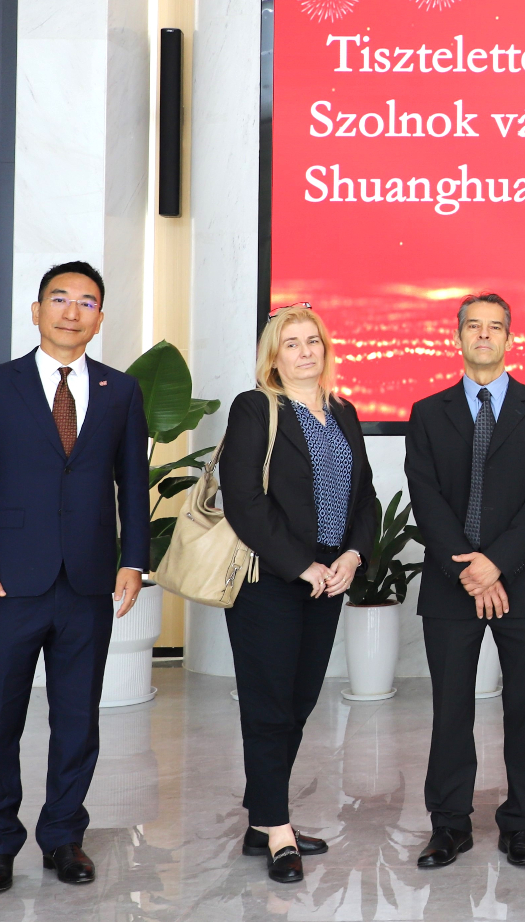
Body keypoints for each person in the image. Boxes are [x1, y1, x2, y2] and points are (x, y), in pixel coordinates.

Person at [0, 261, 150, 894]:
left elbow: (133, 486)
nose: (72, 311)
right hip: (7, 581)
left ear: (100, 318)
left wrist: (133, 559)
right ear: (36, 311)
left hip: (88, 582)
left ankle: (64, 836)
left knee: (77, 720)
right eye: (59, 299)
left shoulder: (120, 391)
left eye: (86, 302)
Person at [404, 293, 525, 869]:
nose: (483, 335)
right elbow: (426, 496)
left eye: (494, 327)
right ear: (458, 336)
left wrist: (496, 564)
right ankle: (449, 825)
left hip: (522, 581)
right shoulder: (428, 412)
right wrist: (469, 570)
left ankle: (521, 825)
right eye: (473, 326)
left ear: (508, 338)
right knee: (451, 710)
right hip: (451, 585)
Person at [221, 304, 377, 883]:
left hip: (329, 581)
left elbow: (365, 498)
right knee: (268, 706)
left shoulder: (343, 412)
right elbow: (243, 501)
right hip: (270, 582)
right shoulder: (255, 407)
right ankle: (278, 830)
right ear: (273, 356)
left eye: (313, 341)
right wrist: (300, 565)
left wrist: (352, 556)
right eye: (292, 343)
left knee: (298, 703)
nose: (306, 351)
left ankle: (262, 820)